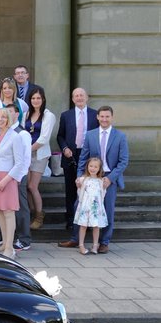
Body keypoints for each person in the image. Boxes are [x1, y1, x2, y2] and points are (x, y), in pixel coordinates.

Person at [59, 106, 129, 254]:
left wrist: (110, 178)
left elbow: (123, 161)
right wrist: (80, 177)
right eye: (102, 116)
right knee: (79, 205)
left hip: (109, 177)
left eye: (107, 116)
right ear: (97, 117)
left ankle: (104, 242)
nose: (104, 119)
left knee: (107, 209)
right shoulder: (90, 135)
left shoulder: (120, 136)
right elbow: (83, 158)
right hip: (91, 176)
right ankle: (76, 238)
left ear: (112, 117)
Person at [0, 107, 29, 258]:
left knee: (8, 212)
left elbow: (19, 163)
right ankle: (4, 244)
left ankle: (10, 248)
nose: (0, 119)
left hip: (7, 177)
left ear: (9, 119)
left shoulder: (15, 137)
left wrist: (6, 180)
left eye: (3, 117)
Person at [57, 88, 98, 230]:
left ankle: (89, 221)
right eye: (76, 96)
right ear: (73, 99)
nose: (79, 98)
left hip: (89, 157)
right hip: (70, 156)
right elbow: (60, 136)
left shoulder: (95, 115)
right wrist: (64, 148)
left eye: (81, 95)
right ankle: (71, 220)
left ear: (87, 97)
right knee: (71, 190)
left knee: (89, 189)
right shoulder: (66, 115)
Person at [24, 86, 57, 229]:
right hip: (25, 154)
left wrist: (28, 150)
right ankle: (32, 212)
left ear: (43, 99)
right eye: (33, 98)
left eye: (38, 98)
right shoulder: (26, 114)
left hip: (39, 154)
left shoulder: (48, 116)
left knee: (33, 186)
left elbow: (44, 138)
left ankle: (39, 216)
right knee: (26, 186)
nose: (35, 100)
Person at [74, 157, 109, 255]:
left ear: (99, 169)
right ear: (87, 167)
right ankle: (81, 245)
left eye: (95, 167)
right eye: (91, 166)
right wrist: (78, 185)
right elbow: (80, 192)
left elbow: (102, 194)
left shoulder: (101, 181)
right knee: (83, 225)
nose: (93, 168)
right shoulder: (83, 179)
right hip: (85, 206)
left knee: (96, 226)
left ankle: (95, 245)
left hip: (96, 207)